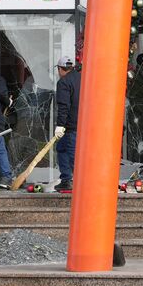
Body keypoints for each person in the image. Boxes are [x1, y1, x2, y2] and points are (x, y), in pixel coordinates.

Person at [54, 58, 81, 193]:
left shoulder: (63, 82)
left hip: (70, 126)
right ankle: (66, 179)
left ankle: (78, 183)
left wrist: (60, 125)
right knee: (61, 148)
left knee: (73, 155)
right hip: (82, 124)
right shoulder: (82, 78)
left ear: (60, 69)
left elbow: (64, 106)